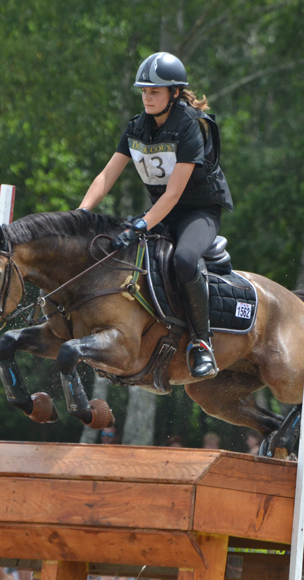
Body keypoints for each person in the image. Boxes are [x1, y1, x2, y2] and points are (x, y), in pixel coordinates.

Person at [77, 52, 234, 379]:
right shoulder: (137, 127)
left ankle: (201, 344)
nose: (147, 97)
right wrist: (78, 215)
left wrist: (141, 224)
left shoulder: (191, 126)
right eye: (144, 91)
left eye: (155, 92)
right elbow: (106, 177)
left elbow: (175, 193)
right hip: (160, 212)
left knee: (185, 259)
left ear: (174, 93)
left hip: (198, 212)